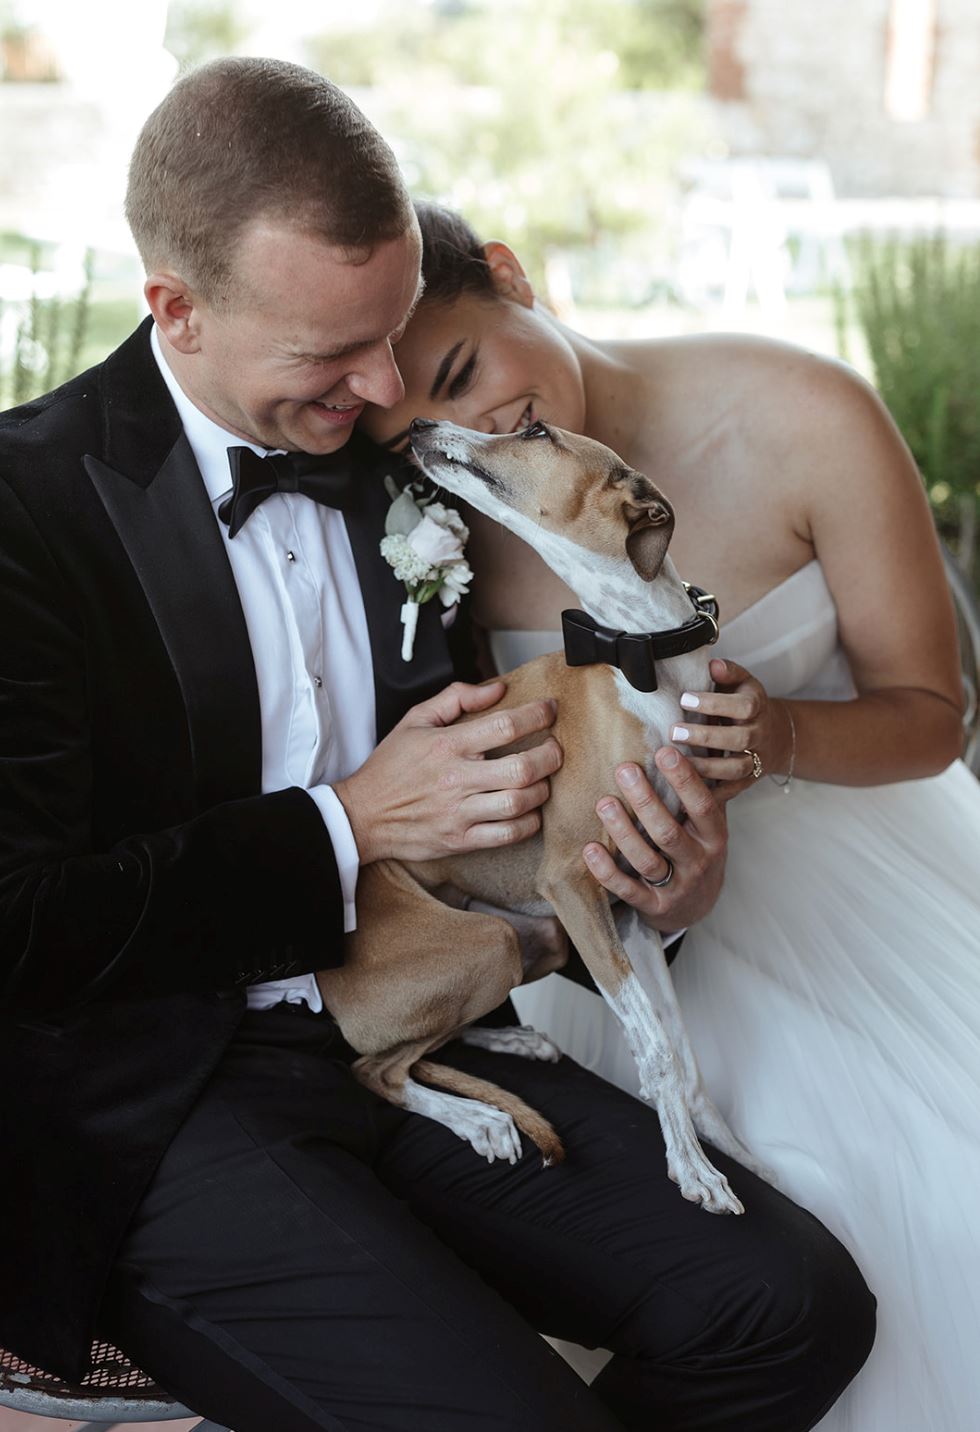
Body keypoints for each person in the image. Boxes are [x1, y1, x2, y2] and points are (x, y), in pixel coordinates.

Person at [0, 60, 876, 1432]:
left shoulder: (408, 462)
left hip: (433, 1018)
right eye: (329, 355)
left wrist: (670, 878)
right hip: (163, 1103)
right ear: (174, 307)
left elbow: (578, 754)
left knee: (787, 1305)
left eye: (395, 332)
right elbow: (20, 924)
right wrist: (349, 822)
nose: (391, 390)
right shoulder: (26, 509)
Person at [360, 200, 980, 1430]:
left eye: (463, 369)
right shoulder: (444, 533)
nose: (470, 428)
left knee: (918, 1185)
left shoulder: (803, 412)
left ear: (508, 270)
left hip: (848, 858)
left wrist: (777, 738)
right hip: (594, 923)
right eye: (418, 429)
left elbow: (932, 714)